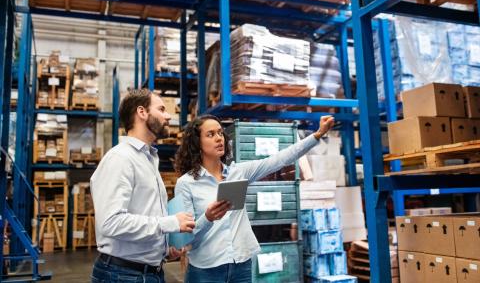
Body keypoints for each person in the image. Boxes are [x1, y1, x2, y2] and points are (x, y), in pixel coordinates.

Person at [174, 114, 335, 283]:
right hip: (205, 271)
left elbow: (279, 159)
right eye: (210, 134)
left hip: (241, 265)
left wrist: (317, 135)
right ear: (196, 143)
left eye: (220, 133)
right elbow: (183, 238)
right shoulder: (186, 184)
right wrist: (208, 218)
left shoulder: (238, 172)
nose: (218, 138)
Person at [90, 89, 198, 283]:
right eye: (162, 109)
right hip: (123, 275)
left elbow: (145, 213)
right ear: (142, 112)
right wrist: (171, 223)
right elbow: (110, 223)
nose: (168, 116)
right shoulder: (121, 159)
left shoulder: (147, 158)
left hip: (149, 272)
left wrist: (164, 249)